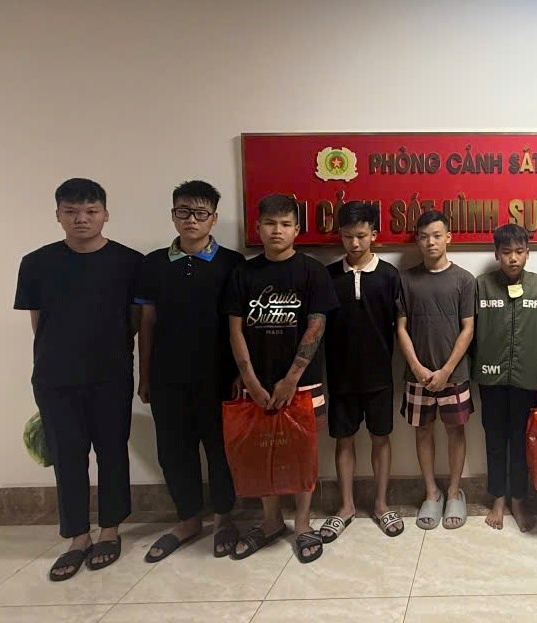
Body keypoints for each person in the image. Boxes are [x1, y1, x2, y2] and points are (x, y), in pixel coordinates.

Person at [14, 178, 143, 580]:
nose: (81, 219)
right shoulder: (36, 263)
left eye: (90, 211)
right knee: (67, 457)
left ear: (105, 214)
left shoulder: (130, 262)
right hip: (55, 377)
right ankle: (77, 536)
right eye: (71, 211)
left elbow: (135, 321)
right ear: (58, 215)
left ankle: (110, 530)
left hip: (110, 375)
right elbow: (39, 322)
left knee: (112, 452)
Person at [224, 194, 339, 564]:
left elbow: (316, 327)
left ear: (297, 230)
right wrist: (250, 379)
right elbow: (235, 329)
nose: (278, 231)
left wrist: (291, 378)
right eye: (271, 224)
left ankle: (302, 522)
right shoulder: (243, 273)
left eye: (286, 224)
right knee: (263, 450)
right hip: (255, 382)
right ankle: (271, 520)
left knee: (303, 451)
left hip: (302, 382)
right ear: (257, 228)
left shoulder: (312, 271)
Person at [136, 181, 244, 562]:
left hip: (218, 375)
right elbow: (147, 321)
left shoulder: (232, 264)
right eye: (183, 212)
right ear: (173, 216)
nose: (191, 220)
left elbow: (239, 325)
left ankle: (224, 518)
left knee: (220, 449)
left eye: (200, 213)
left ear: (213, 218)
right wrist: (144, 375)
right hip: (167, 376)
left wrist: (240, 373)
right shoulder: (153, 264)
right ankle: (188, 520)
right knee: (173, 450)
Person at [322, 202, 404, 541]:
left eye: (360, 236)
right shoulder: (328, 275)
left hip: (380, 375)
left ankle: (382, 504)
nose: (354, 243)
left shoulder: (389, 275)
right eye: (347, 236)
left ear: (374, 235)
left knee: (381, 438)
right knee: (344, 439)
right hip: (340, 375)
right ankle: (346, 506)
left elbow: (400, 325)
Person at [396, 209, 476, 530]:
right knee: (423, 430)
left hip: (454, 375)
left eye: (437, 235)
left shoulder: (464, 280)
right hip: (417, 376)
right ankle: (431, 491)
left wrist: (446, 370)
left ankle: (455, 491)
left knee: (456, 431)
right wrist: (416, 367)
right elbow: (400, 328)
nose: (431, 242)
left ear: (448, 238)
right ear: (417, 240)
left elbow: (468, 329)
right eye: (424, 236)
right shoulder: (405, 280)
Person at [474, 223, 537, 532]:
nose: (513, 258)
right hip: (491, 379)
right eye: (506, 252)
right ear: (497, 254)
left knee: (522, 443)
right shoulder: (481, 286)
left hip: (528, 380)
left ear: (528, 253)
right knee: (494, 440)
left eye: (519, 251)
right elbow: (470, 332)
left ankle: (519, 499)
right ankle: (498, 498)